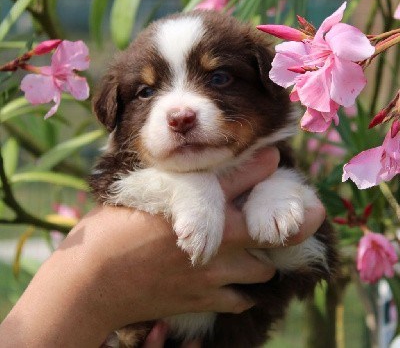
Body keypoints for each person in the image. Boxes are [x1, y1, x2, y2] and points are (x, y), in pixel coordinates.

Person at [0, 147, 326, 348]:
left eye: (219, 80)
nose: (180, 111)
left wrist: (278, 193)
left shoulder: (275, 170)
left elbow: (306, 263)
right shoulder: (129, 165)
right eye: (146, 92)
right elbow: (115, 183)